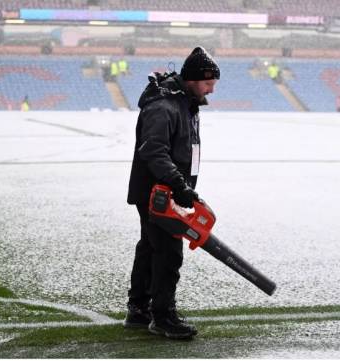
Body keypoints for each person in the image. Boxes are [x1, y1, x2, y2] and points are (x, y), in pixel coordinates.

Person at [125, 46, 220, 339]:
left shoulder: (184, 101)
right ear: (192, 79)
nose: (211, 90)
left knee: (151, 247)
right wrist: (179, 186)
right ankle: (163, 316)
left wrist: (181, 187)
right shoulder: (165, 105)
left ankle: (139, 309)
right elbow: (154, 150)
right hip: (159, 191)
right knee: (168, 252)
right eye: (208, 83)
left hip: (164, 188)